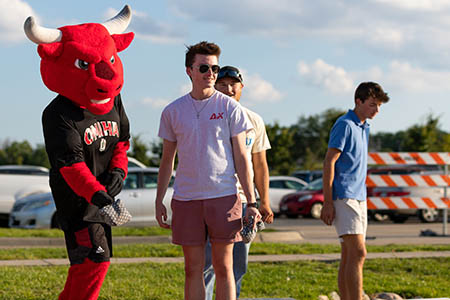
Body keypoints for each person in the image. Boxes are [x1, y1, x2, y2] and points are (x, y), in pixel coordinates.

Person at [23, 6, 134, 300]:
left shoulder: (113, 100)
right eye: (86, 65)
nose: (107, 73)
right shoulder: (58, 114)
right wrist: (98, 195)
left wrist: (119, 172)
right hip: (77, 201)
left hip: (102, 197)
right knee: (92, 263)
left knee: (91, 264)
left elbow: (121, 141)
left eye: (110, 60)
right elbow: (70, 166)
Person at [155, 42, 261, 300]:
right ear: (189, 70)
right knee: (193, 269)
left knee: (224, 268)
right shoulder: (173, 111)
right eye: (204, 67)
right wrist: (160, 199)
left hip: (223, 197)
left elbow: (242, 158)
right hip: (186, 199)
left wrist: (252, 201)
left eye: (214, 68)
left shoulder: (230, 108)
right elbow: (167, 160)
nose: (211, 73)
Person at [203, 66, 273, 299]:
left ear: (242, 88)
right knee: (209, 264)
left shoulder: (254, 120)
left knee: (237, 264)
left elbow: (260, 164)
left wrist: (264, 202)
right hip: (212, 198)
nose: (228, 89)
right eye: (222, 84)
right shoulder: (204, 114)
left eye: (234, 84)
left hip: (244, 202)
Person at [320, 82, 389, 300]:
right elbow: (329, 162)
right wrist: (328, 202)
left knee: (349, 255)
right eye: (372, 105)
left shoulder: (364, 126)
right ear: (358, 101)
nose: (376, 110)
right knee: (359, 253)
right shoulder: (345, 124)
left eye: (378, 106)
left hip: (360, 197)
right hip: (344, 196)